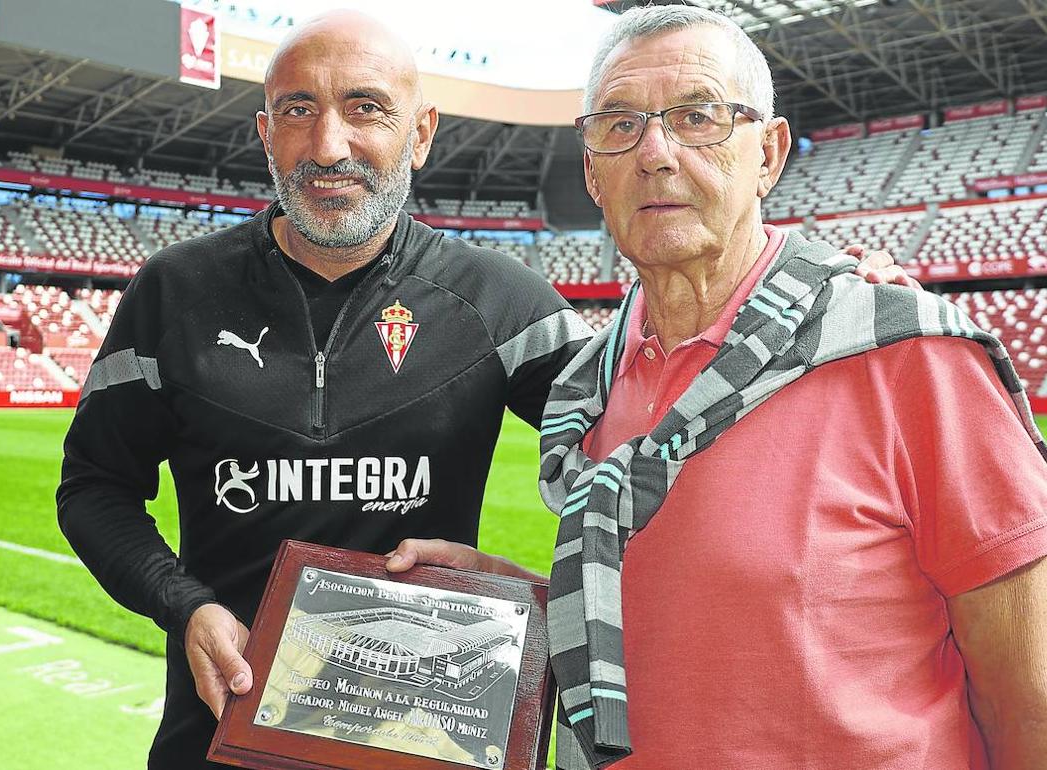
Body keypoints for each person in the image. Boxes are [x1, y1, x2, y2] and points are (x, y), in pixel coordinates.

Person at [57, 10, 917, 769]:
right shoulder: (172, 293)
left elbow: (655, 428)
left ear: (422, 133)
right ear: (265, 131)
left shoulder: (501, 301)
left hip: (429, 737)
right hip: (219, 736)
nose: (329, 146)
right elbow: (95, 488)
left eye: (366, 108)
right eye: (298, 111)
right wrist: (188, 606)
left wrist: (810, 306)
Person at [395, 5, 1047, 769]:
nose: (656, 153)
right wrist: (518, 603)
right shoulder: (588, 383)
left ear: (768, 152)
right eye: (620, 125)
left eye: (698, 117)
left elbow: (1027, 697)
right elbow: (707, 624)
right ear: (591, 172)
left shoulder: (910, 358)